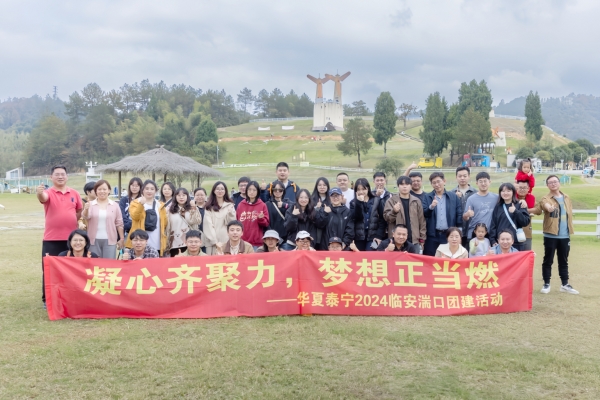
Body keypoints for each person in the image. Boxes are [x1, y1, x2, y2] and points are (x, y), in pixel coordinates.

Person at [37, 165, 83, 308]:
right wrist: (39, 193)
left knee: (71, 269)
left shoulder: (74, 193)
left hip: (72, 240)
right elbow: (43, 198)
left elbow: (79, 211)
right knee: (49, 269)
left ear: (67, 176)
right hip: (51, 239)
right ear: (51, 177)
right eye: (57, 174)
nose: (60, 177)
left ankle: (69, 296)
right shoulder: (48, 192)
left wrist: (72, 221)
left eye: (63, 174)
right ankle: (47, 299)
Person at [532, 175, 579, 294]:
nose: (553, 184)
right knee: (548, 260)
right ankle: (546, 283)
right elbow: (545, 206)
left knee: (564, 260)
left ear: (559, 183)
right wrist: (549, 208)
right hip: (550, 235)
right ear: (547, 185)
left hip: (565, 235)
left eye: (555, 181)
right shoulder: (545, 198)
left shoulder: (566, 197)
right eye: (550, 182)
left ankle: (565, 284)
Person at [383, 176, 427, 254]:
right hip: (397, 240)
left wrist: (422, 238)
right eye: (402, 184)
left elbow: (422, 221)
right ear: (398, 186)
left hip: (414, 240)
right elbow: (387, 218)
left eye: (407, 184)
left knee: (414, 260)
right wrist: (394, 211)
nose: (404, 186)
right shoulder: (391, 201)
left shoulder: (416, 201)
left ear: (411, 186)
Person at [82, 180, 125, 259]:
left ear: (109, 190)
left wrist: (122, 238)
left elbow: (119, 223)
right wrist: (86, 209)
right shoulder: (91, 204)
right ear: (96, 191)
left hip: (110, 240)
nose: (102, 191)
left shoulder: (114, 205)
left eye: (104, 189)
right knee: (95, 262)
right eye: (99, 189)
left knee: (109, 263)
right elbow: (85, 217)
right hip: (93, 240)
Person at [422, 172, 462, 256]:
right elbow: (425, 214)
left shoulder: (453, 197)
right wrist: (431, 207)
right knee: (430, 257)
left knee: (447, 257)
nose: (437, 185)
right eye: (434, 183)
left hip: (448, 234)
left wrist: (459, 232)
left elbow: (459, 214)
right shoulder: (427, 197)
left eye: (438, 181)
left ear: (444, 181)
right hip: (432, 235)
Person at [125, 179, 168, 256]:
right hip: (139, 243)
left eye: (152, 189)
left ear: (156, 191)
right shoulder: (135, 203)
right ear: (142, 190)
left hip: (157, 241)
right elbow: (135, 217)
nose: (149, 191)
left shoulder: (160, 205)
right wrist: (141, 205)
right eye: (147, 189)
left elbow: (164, 223)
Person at [488, 183, 530, 251]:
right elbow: (493, 225)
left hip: (516, 242)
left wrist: (515, 211)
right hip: (501, 242)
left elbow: (525, 222)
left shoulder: (519, 204)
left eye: (508, 191)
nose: (505, 193)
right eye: (503, 191)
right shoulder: (498, 207)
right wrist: (492, 240)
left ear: (513, 192)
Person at [203, 181, 237, 255]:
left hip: (226, 240)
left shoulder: (230, 205)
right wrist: (215, 241)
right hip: (212, 242)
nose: (220, 191)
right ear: (214, 191)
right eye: (217, 189)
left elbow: (231, 224)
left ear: (225, 191)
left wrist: (230, 213)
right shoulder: (209, 207)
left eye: (222, 189)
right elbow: (208, 225)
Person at [463, 172, 499, 240]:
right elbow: (465, 218)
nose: (483, 183)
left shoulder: (496, 197)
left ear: (489, 182)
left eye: (485, 181)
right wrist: (467, 214)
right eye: (480, 181)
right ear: (477, 183)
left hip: (491, 234)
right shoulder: (471, 199)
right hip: (475, 234)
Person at [167, 187, 202, 257]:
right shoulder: (170, 210)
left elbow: (197, 221)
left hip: (190, 242)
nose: (181, 197)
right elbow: (168, 227)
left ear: (187, 197)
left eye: (183, 195)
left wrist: (193, 208)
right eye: (179, 195)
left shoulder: (192, 208)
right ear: (175, 197)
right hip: (175, 243)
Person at [236, 180, 270, 250]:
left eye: (254, 190)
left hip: (256, 243)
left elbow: (266, 223)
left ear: (258, 192)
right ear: (246, 191)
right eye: (249, 189)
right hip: (242, 242)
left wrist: (261, 219)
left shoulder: (262, 205)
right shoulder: (241, 205)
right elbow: (237, 222)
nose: (251, 192)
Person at [365, 172, 391, 250]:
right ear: (374, 181)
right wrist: (377, 196)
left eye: (381, 180)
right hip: (374, 231)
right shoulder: (369, 195)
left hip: (388, 229)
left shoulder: (390, 195)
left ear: (385, 181)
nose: (380, 182)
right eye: (377, 180)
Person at [453, 167, 476, 247]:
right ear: (456, 177)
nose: (462, 178)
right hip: (455, 232)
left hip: (472, 231)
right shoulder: (451, 194)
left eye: (465, 176)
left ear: (469, 176)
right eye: (460, 176)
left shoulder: (475, 193)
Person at [265, 181, 292, 248]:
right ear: (272, 191)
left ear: (283, 191)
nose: (277, 192)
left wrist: (284, 205)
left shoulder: (287, 202)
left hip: (286, 238)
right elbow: (266, 222)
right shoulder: (267, 204)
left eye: (280, 190)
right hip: (272, 238)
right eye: (275, 190)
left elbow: (296, 208)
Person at [350, 178, 374, 251]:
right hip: (359, 236)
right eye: (358, 189)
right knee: (359, 255)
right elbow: (356, 217)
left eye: (363, 189)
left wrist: (378, 236)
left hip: (372, 236)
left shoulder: (376, 200)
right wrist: (359, 202)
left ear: (368, 189)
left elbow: (381, 220)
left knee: (370, 255)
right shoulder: (353, 203)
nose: (361, 192)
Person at [515, 180, 536, 251]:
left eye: (524, 188)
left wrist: (526, 210)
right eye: (520, 187)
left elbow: (538, 210)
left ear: (528, 188)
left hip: (526, 232)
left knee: (526, 254)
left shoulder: (531, 198)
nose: (522, 190)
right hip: (512, 231)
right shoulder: (511, 198)